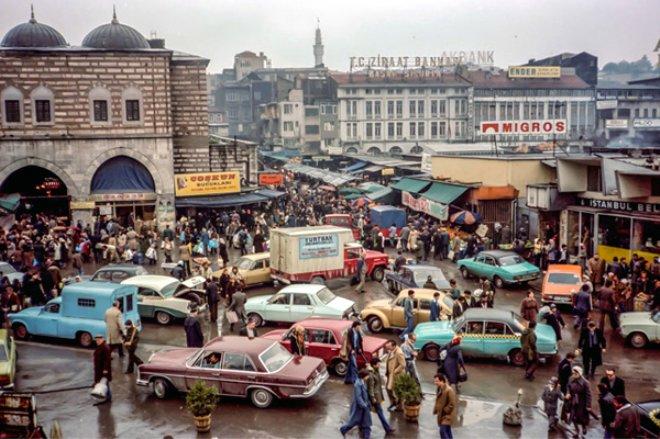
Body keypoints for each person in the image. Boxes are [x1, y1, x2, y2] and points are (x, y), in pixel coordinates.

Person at [339, 369, 372, 439]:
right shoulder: (358, 384)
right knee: (354, 421)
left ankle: (367, 436)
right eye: (367, 376)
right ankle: (343, 429)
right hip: (359, 407)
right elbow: (358, 397)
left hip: (364, 406)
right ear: (364, 376)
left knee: (366, 423)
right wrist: (364, 405)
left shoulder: (363, 382)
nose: (368, 377)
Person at [365, 357, 394, 435]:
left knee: (374, 412)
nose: (379, 365)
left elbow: (380, 382)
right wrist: (373, 398)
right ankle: (387, 428)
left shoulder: (376, 371)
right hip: (374, 398)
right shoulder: (371, 374)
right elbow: (370, 388)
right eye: (378, 364)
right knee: (378, 412)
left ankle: (387, 428)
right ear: (374, 365)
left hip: (377, 396)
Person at [566, 366, 592, 438]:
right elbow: (568, 386)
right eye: (573, 373)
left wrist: (588, 405)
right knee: (573, 417)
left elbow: (588, 395)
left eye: (575, 373)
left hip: (581, 402)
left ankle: (583, 427)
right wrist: (568, 393)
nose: (573, 375)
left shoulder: (585, 383)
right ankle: (577, 432)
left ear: (579, 373)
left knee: (581, 417)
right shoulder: (570, 379)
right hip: (573, 401)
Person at [433, 373, 457, 439]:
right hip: (442, 415)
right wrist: (436, 409)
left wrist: (445, 410)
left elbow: (452, 403)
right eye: (435, 381)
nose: (435, 382)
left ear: (442, 381)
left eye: (437, 381)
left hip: (447, 415)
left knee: (442, 431)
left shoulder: (449, 390)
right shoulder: (439, 389)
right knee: (447, 431)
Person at [384, 340, 405, 412]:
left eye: (389, 346)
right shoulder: (391, 350)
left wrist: (395, 371)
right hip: (390, 374)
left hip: (396, 375)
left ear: (394, 346)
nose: (387, 347)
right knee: (388, 389)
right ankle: (394, 402)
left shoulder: (399, 353)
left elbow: (403, 365)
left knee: (398, 391)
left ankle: (399, 406)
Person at [93, 334, 112, 404]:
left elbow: (107, 360)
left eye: (98, 340)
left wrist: (105, 369)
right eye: (96, 340)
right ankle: (108, 398)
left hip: (103, 370)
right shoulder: (100, 346)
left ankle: (108, 398)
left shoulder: (105, 348)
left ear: (102, 339)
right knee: (104, 384)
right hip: (99, 369)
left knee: (104, 384)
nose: (97, 341)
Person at [344, 321, 364, 385]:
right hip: (350, 351)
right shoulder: (349, 332)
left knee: (350, 365)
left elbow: (359, 341)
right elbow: (348, 342)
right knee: (354, 365)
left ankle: (347, 380)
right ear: (355, 326)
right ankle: (354, 380)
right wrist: (351, 350)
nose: (360, 327)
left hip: (355, 350)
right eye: (359, 326)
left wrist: (359, 349)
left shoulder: (358, 332)